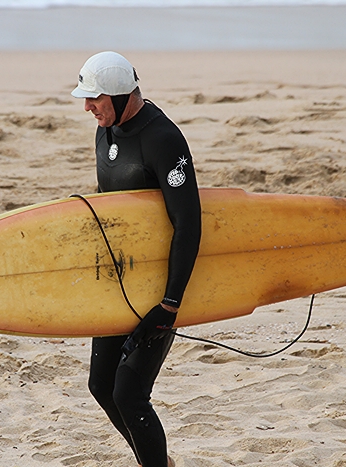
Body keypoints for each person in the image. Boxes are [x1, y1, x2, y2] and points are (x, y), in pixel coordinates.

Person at [71, 51, 202, 467]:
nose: (88, 108)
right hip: (119, 284)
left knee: (129, 392)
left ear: (119, 94)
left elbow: (188, 224)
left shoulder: (163, 139)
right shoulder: (105, 131)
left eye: (94, 98)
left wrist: (170, 304)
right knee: (101, 386)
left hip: (160, 290)